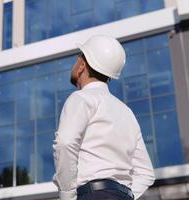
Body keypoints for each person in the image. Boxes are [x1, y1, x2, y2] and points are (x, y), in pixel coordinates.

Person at [52, 35, 155, 200]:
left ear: (82, 66)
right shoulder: (126, 112)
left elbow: (65, 143)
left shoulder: (81, 98)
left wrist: (67, 195)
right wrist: (124, 195)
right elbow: (146, 173)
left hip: (91, 194)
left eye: (77, 58)